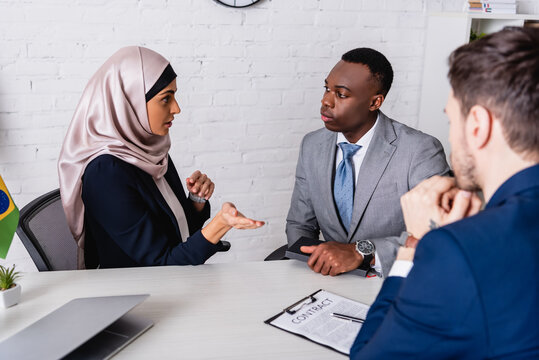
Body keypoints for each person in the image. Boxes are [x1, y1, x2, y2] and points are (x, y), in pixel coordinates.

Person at [350, 27, 539, 359]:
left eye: (452, 120)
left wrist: (415, 246)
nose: (451, 138)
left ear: (478, 126)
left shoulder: (456, 250)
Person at [58, 46, 264, 269]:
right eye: (166, 99)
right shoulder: (105, 173)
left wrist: (196, 202)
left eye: (174, 96)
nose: (176, 108)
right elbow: (164, 264)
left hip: (170, 286)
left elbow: (176, 234)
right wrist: (221, 224)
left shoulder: (150, 150)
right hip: (139, 293)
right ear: (129, 102)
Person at [286, 48, 450, 277]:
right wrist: (313, 265)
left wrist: (361, 252)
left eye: (341, 94)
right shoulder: (312, 145)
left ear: (375, 102)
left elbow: (440, 231)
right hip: (328, 282)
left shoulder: (420, 150)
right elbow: (299, 223)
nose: (326, 101)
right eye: (327, 89)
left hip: (396, 282)